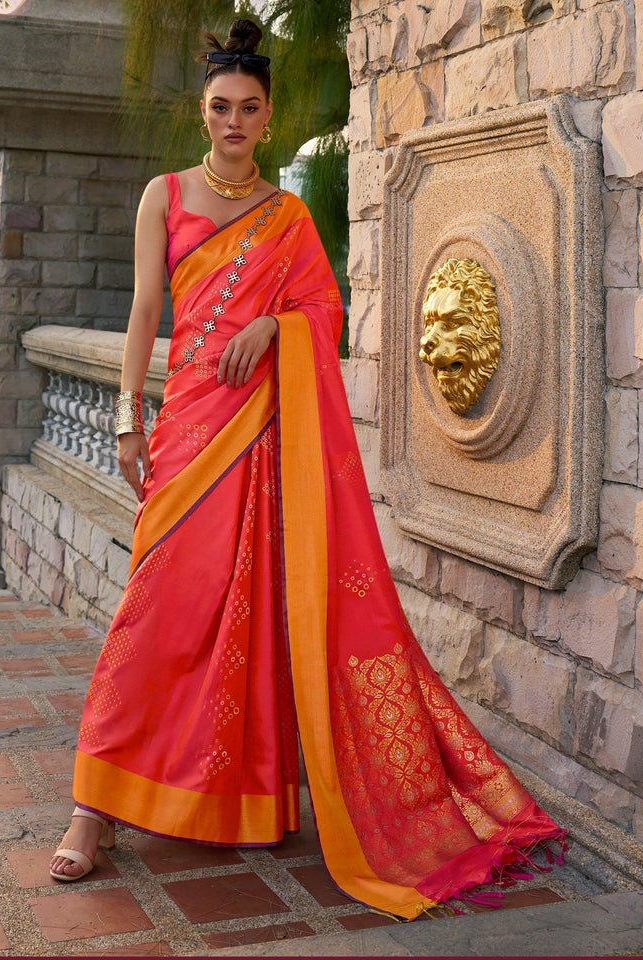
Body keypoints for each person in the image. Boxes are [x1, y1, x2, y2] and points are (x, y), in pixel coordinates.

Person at [50, 19, 563, 919]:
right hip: (186, 434)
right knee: (153, 614)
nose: (233, 123)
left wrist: (273, 328)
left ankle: (241, 797)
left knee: (245, 619)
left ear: (270, 116)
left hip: (258, 438)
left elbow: (325, 310)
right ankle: (92, 810)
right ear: (202, 112)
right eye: (219, 108)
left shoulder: (286, 219)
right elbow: (142, 313)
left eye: (249, 109)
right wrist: (129, 422)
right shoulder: (163, 196)